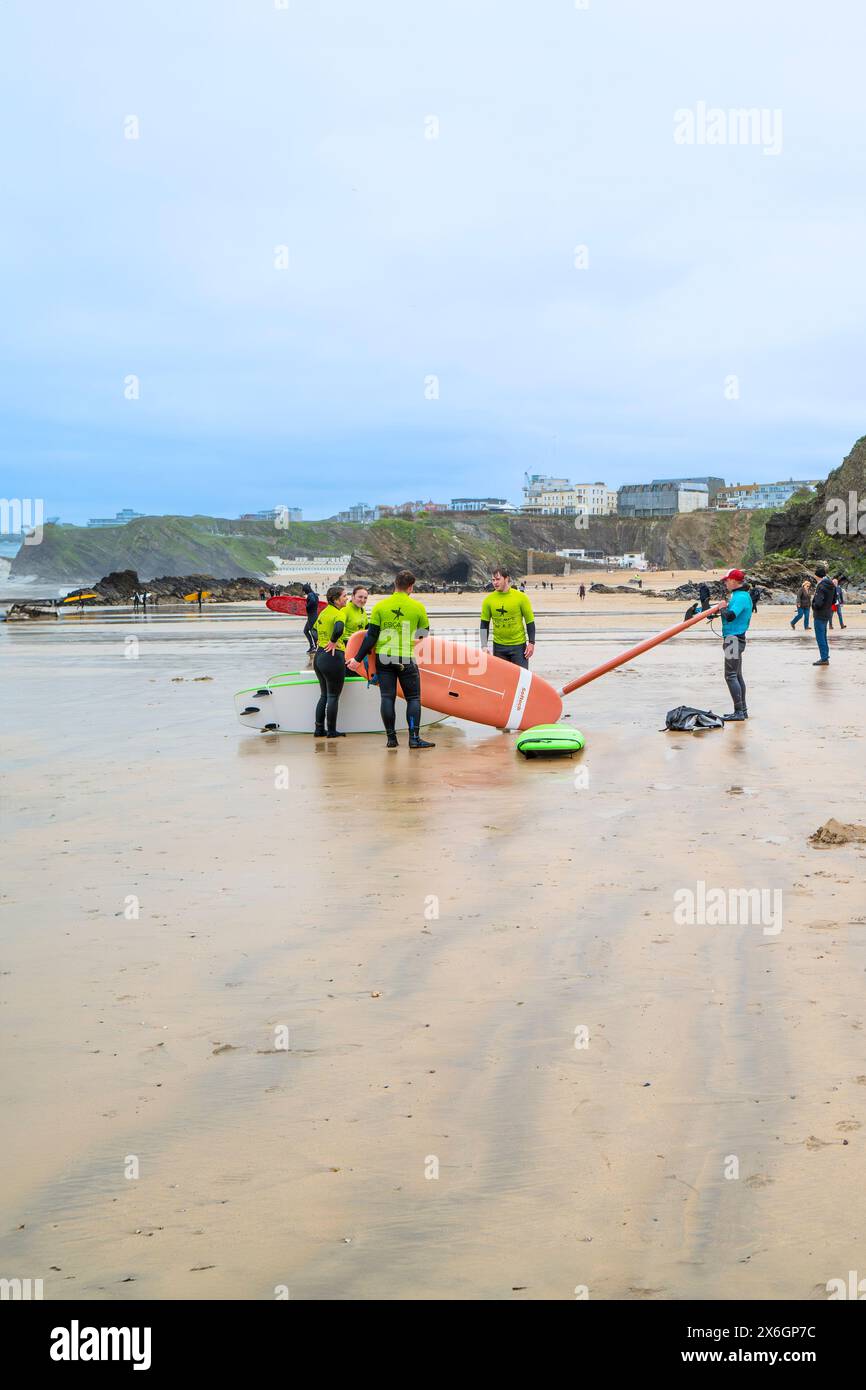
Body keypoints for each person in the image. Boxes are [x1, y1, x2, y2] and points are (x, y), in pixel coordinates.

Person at [350, 569, 434, 749]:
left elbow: (370, 637)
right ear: (410, 587)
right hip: (405, 657)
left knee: (387, 698)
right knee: (413, 698)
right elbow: (424, 634)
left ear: (395, 584)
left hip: (384, 657)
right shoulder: (417, 607)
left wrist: (357, 659)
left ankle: (391, 739)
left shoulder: (381, 606)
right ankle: (413, 738)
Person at [716, 567, 753, 721]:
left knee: (731, 675)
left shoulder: (740, 597)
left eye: (726, 581)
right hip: (736, 638)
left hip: (733, 639)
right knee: (736, 675)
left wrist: (723, 608)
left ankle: (739, 712)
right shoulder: (740, 595)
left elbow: (730, 616)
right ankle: (742, 710)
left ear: (733, 580)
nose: (725, 583)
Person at [480, 567, 536, 668]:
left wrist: (531, 643)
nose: (495, 583)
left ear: (506, 579)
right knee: (502, 682)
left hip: (519, 647)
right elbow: (484, 624)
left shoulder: (521, 598)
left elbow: (530, 622)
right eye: (493, 580)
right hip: (499, 648)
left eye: (498, 579)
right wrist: (484, 646)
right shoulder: (488, 600)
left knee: (521, 681)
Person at [313, 584, 349, 738]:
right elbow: (339, 628)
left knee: (324, 695)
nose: (346, 598)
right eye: (344, 596)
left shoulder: (323, 613)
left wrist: (322, 642)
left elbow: (313, 629)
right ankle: (332, 731)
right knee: (333, 696)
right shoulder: (338, 613)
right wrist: (333, 641)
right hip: (333, 657)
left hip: (319, 656)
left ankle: (319, 729)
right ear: (335, 600)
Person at [811, 564, 835, 664]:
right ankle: (825, 656)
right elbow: (834, 600)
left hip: (820, 614)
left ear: (817, 576)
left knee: (820, 637)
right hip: (827, 613)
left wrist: (814, 605)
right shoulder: (831, 585)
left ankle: (824, 658)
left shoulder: (821, 586)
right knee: (823, 636)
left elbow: (819, 603)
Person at [302, 582, 319, 652]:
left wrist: (307, 606)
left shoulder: (310, 595)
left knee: (313, 632)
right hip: (314, 615)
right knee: (306, 631)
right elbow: (316, 601)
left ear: (306, 590)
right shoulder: (315, 594)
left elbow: (312, 601)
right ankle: (312, 646)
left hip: (312, 617)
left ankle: (315, 647)